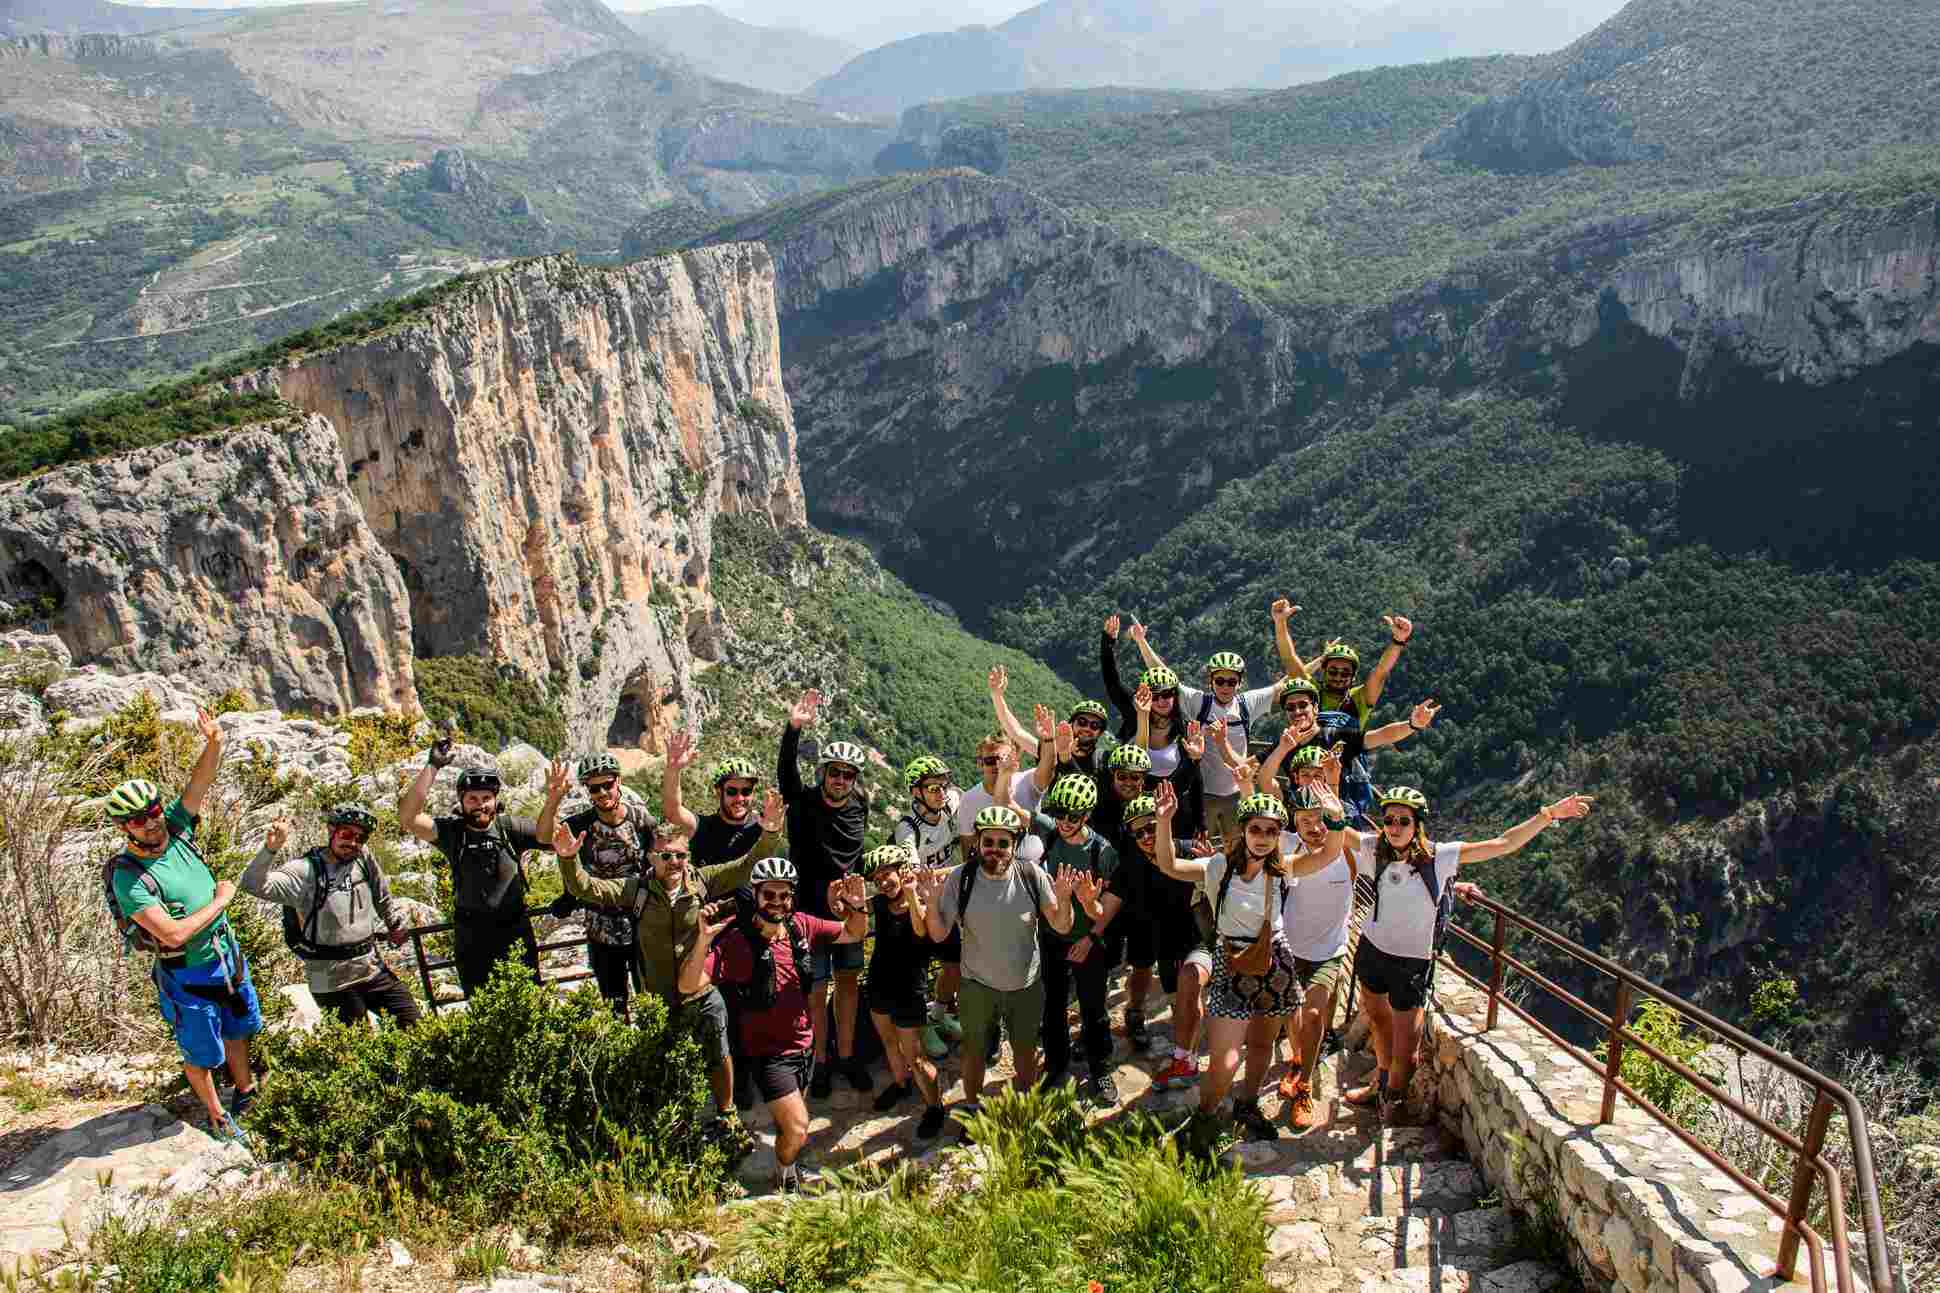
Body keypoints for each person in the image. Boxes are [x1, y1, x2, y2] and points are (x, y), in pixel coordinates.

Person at [1342, 786, 1593, 1122]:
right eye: (1389, 820)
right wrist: (1327, 792)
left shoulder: (1439, 857)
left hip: (1412, 962)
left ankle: (1393, 1101)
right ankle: (1382, 1084)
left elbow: (1503, 844)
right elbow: (1333, 828)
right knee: (1377, 1018)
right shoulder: (1374, 847)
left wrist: (1547, 816)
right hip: (1372, 949)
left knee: (1409, 1049)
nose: (1395, 826)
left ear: (1417, 824)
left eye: (1404, 820)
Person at [554, 793, 783, 1125]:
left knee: (719, 1055)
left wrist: (772, 831)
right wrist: (567, 859)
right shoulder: (636, 889)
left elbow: (750, 864)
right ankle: (673, 1121)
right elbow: (586, 887)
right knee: (664, 1061)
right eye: (666, 856)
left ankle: (726, 1114)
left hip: (702, 993)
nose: (674, 863)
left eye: (680, 856)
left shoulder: (702, 881)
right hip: (658, 998)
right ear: (651, 857)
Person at [1150, 782, 1347, 1145]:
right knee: (1224, 1061)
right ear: (1242, 830)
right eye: (1256, 829)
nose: (1263, 837)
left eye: (1272, 831)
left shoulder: (1281, 868)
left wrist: (1335, 819)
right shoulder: (1217, 866)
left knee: (1260, 1045)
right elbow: (1168, 864)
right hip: (1231, 963)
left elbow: (1328, 854)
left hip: (1275, 961)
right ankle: (1205, 1118)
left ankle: (1247, 1104)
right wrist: (1164, 822)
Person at [104, 710, 261, 1142]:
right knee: (201, 1050)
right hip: (186, 970)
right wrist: (222, 900)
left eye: (152, 810)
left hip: (226, 958)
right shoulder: (128, 876)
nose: (151, 821)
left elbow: (199, 786)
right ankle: (216, 1116)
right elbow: (171, 934)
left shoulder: (176, 829)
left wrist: (213, 742)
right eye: (138, 819)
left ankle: (245, 1091)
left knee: (237, 1026)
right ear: (124, 827)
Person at [682, 861, 871, 1192]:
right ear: (755, 895)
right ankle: (785, 1174)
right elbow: (688, 984)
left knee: (791, 1123)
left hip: (804, 1044)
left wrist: (856, 906)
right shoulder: (736, 942)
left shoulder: (801, 926)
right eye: (769, 894)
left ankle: (789, 1162)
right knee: (799, 1127)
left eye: (784, 895)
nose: (777, 901)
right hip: (768, 1054)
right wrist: (703, 939)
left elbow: (854, 932)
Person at [917, 805, 1090, 1127]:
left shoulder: (1031, 875)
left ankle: (1022, 1107)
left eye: (1002, 843)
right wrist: (929, 901)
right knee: (973, 1053)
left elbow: (1062, 925)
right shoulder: (961, 878)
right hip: (976, 985)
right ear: (978, 843)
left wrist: (1065, 899)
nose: (995, 850)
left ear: (1015, 845)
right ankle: (971, 1109)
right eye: (988, 842)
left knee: (1024, 1053)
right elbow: (939, 932)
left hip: (1025, 985)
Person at [240, 803, 419, 1030]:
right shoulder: (305, 870)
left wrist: (394, 924)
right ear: (331, 831)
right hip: (332, 981)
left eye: (360, 837)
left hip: (371, 969)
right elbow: (252, 885)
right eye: (346, 834)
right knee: (358, 1048)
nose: (353, 842)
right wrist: (270, 849)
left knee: (414, 1024)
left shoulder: (363, 859)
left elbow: (381, 894)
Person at [776, 689, 872, 1097]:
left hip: (847, 912)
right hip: (809, 914)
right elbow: (785, 775)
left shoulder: (859, 806)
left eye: (848, 775)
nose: (841, 780)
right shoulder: (804, 803)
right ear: (825, 773)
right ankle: (820, 1063)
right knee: (816, 990)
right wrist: (793, 729)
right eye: (835, 772)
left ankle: (847, 1056)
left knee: (848, 984)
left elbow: (857, 854)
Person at [400, 739, 541, 997]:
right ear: (462, 802)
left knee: (528, 1004)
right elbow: (409, 817)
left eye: (486, 798)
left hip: (515, 931)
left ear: (496, 800)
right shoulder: (452, 834)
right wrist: (433, 766)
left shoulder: (511, 828)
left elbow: (557, 840)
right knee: (480, 1007)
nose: (480, 804)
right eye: (472, 798)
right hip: (472, 936)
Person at [1126, 625, 1283, 849]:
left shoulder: (1248, 703)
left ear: (1239, 682)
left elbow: (1284, 685)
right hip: (1204, 796)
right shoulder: (1200, 702)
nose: (1225, 686)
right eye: (1220, 681)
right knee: (1202, 848)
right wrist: (1141, 641)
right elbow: (1164, 676)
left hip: (1237, 793)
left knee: (1239, 849)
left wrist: (1318, 659)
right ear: (1211, 681)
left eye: (1231, 681)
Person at [1029, 775, 1125, 1104]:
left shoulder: (1103, 852)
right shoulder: (1050, 833)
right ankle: (1056, 1067)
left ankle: (1101, 1069)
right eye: (1060, 814)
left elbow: (1107, 910)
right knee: (1052, 1006)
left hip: (1086, 938)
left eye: (1072, 816)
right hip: (1051, 935)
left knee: (1093, 1008)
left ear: (1086, 815)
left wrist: (1087, 907)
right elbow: (1012, 808)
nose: (1064, 822)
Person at [535, 752, 653, 1015]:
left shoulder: (641, 820)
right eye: (594, 787)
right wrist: (553, 797)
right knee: (613, 1004)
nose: (602, 793)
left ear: (618, 782)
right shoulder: (582, 825)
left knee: (649, 1001)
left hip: (641, 924)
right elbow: (544, 836)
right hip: (600, 928)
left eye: (607, 785)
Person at [1273, 602, 1414, 815]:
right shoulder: (1312, 693)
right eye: (1333, 671)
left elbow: (1381, 673)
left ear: (1353, 676)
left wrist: (1398, 641)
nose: (1338, 676)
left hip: (1348, 774)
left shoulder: (1359, 699)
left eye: (1344, 673)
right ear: (1324, 671)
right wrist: (1280, 623)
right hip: (1309, 771)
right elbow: (1289, 659)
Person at [858, 845, 948, 1140]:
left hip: (909, 990)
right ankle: (901, 1084)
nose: (883, 882)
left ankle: (935, 1107)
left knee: (916, 1055)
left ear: (901, 871)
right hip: (880, 983)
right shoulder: (882, 902)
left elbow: (922, 931)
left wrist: (910, 891)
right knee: (888, 1041)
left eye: (887, 874)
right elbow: (855, 909)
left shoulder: (918, 900)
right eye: (877, 878)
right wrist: (844, 900)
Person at [1102, 614, 1206, 839]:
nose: (1161, 700)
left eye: (1167, 694)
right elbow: (1113, 683)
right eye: (1155, 695)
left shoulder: (1184, 728)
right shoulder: (1135, 711)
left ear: (1175, 697)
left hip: (1172, 805)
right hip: (1132, 803)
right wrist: (1108, 643)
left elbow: (1195, 779)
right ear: (1146, 695)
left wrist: (1201, 823)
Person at [893, 754, 965, 1057]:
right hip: (919, 907)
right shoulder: (907, 829)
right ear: (916, 792)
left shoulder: (952, 802)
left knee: (954, 963)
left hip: (946, 900)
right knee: (918, 969)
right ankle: (923, 1026)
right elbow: (913, 872)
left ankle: (937, 1016)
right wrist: (960, 870)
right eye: (931, 787)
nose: (940, 791)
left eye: (941, 785)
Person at [663, 734, 770, 869]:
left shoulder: (763, 826)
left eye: (746, 792)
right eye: (732, 791)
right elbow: (672, 811)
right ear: (719, 792)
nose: (739, 798)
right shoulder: (702, 827)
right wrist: (673, 770)